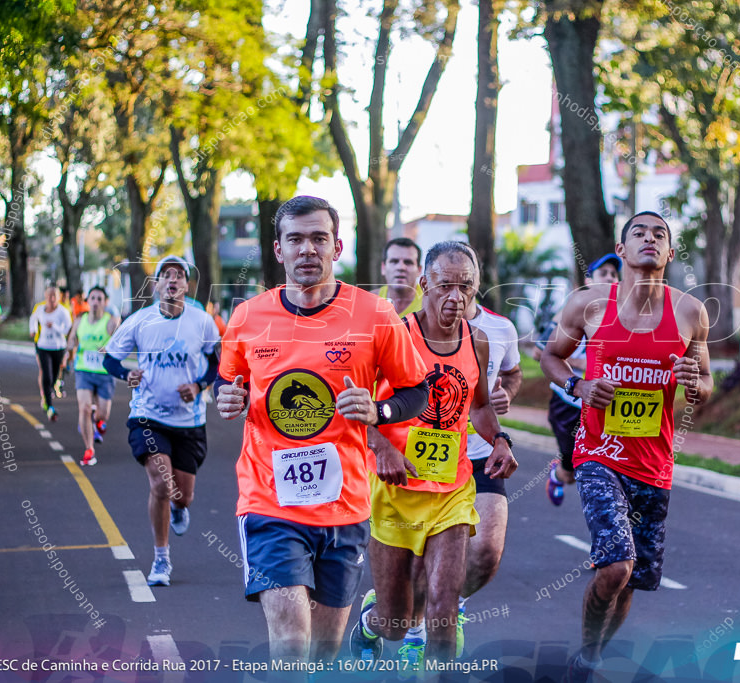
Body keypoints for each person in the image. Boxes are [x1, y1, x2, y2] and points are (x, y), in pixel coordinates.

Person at [216, 195, 430, 666]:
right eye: (296, 239)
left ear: (337, 245)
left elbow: (418, 392)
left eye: (318, 238)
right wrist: (226, 396)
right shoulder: (248, 317)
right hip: (270, 500)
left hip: (345, 505)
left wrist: (379, 410)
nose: (307, 249)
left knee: (324, 653)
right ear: (278, 250)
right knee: (291, 641)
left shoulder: (374, 315)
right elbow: (228, 379)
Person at [540, 211, 711, 680]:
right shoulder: (589, 304)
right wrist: (578, 387)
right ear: (622, 249)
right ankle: (587, 654)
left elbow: (707, 382)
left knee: (631, 579)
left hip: (654, 463)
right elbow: (550, 357)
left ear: (670, 253)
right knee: (616, 564)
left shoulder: (691, 312)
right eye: (639, 232)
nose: (649, 239)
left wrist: (694, 382)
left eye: (660, 234)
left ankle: (590, 657)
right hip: (598, 453)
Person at [350, 241, 517, 667]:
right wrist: (382, 444)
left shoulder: (477, 341)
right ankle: (372, 622)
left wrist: (500, 440)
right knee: (396, 622)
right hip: (396, 490)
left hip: (452, 489)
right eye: (445, 286)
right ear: (424, 284)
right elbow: (353, 404)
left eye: (467, 287)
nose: (456, 298)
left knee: (444, 607)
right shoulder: (393, 336)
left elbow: (478, 405)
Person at [103, 256, 220, 587]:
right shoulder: (140, 321)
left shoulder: (202, 322)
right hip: (147, 416)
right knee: (160, 484)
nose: (172, 280)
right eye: (165, 275)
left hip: (189, 421)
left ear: (186, 285)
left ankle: (180, 508)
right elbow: (110, 358)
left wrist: (198, 386)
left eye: (179, 275)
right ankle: (161, 559)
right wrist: (127, 373)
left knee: (183, 496)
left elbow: (216, 362)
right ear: (156, 285)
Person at [536, 253, 622, 506]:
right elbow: (541, 351)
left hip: (603, 403)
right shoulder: (570, 310)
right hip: (569, 401)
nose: (609, 278)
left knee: (606, 464)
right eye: (602, 273)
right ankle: (557, 473)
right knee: (571, 470)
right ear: (588, 280)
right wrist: (582, 365)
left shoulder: (624, 314)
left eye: (614, 274)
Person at [66, 286, 120, 466]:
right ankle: (89, 449)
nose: (96, 302)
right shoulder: (79, 321)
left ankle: (98, 421)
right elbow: (72, 339)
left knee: (103, 414)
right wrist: (69, 350)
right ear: (88, 301)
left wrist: (110, 348)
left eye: (99, 299)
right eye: (93, 298)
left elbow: (121, 342)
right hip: (84, 371)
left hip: (105, 373)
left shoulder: (110, 322)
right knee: (85, 408)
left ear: (105, 302)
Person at [29, 287, 73, 421]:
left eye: (54, 296)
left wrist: (54, 327)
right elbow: (33, 319)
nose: (52, 298)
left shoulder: (63, 312)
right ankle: (49, 406)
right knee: (46, 375)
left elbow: (68, 328)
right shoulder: (40, 309)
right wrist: (33, 330)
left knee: (54, 376)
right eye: (49, 296)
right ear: (45, 296)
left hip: (58, 347)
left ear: (59, 297)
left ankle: (48, 395)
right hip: (43, 346)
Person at [379, 237, 423, 317]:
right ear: (383, 268)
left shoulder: (430, 306)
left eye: (408, 262)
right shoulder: (370, 301)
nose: (401, 267)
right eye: (394, 261)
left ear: (419, 270)